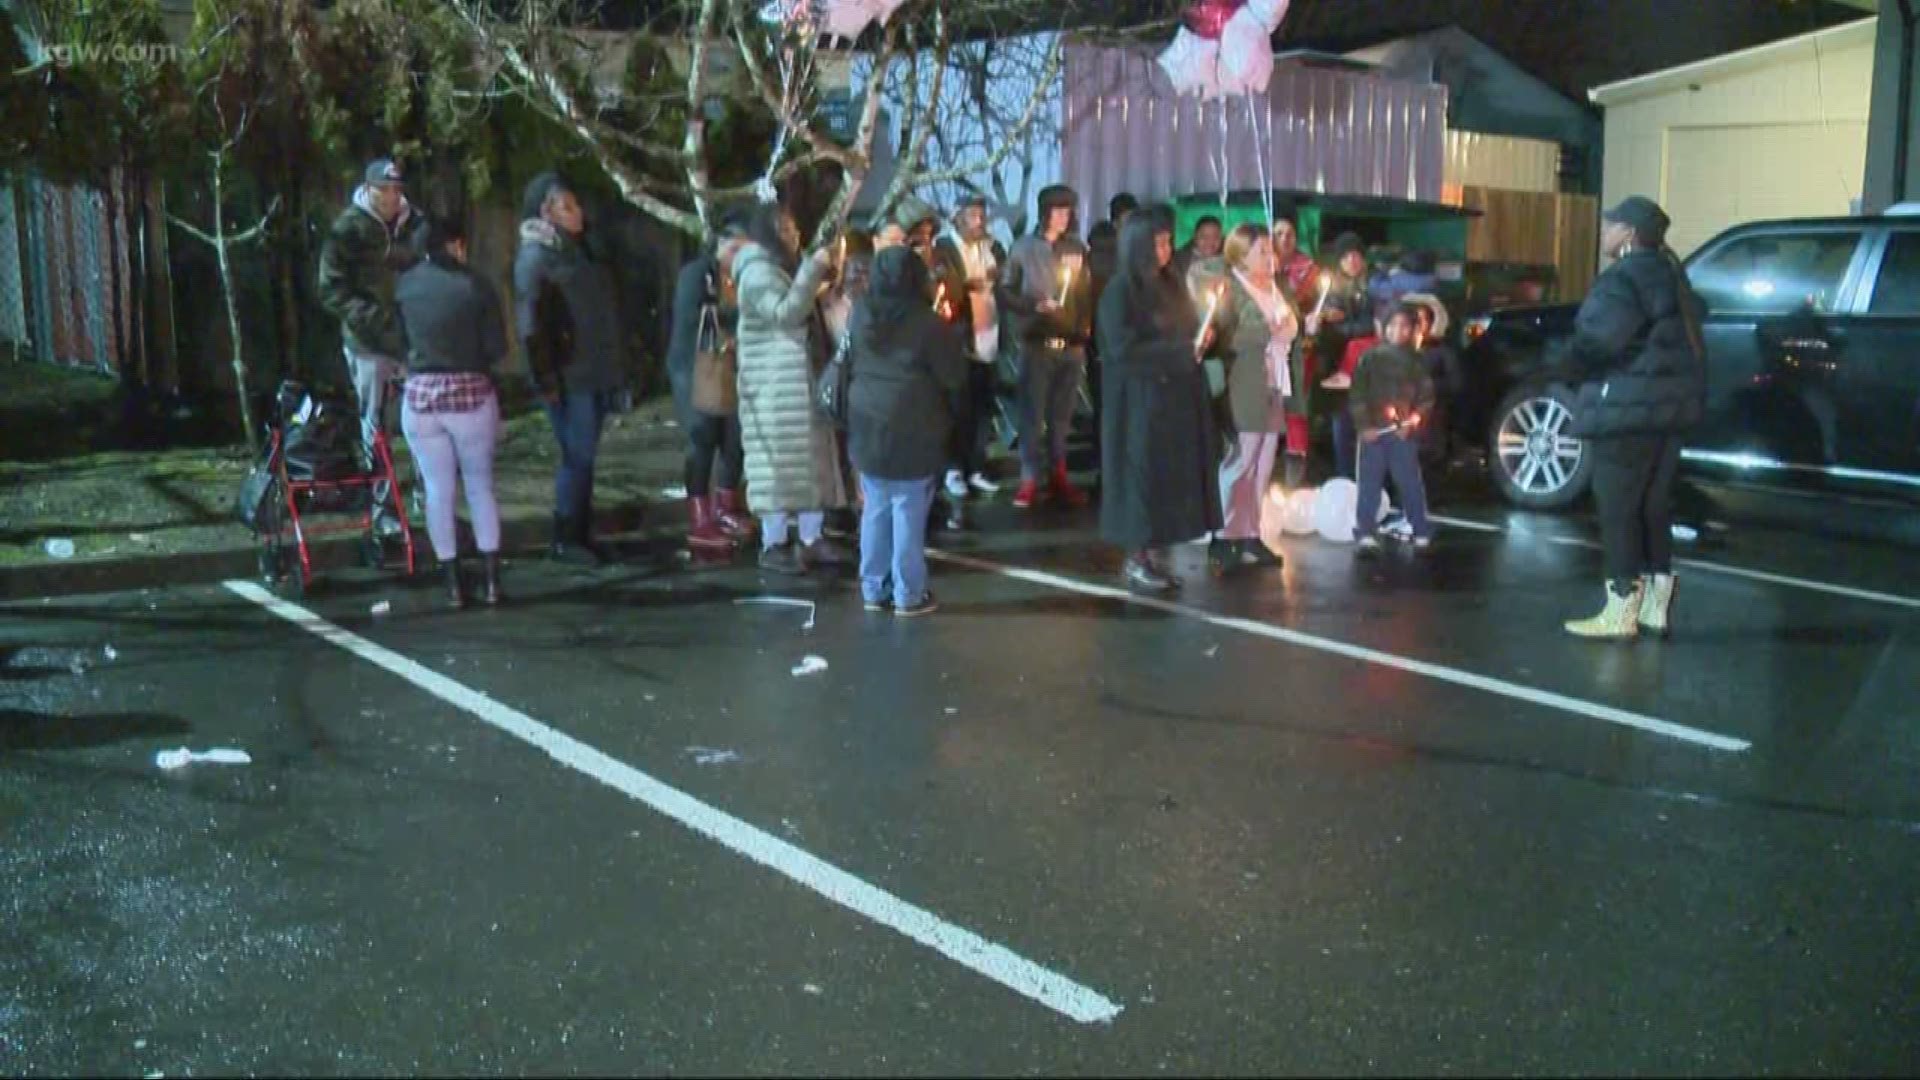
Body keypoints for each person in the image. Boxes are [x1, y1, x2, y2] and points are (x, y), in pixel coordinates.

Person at [1555, 196, 1706, 639]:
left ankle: (1620, 609)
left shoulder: (1622, 280)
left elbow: (1597, 343)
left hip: (1625, 409)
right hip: (1670, 411)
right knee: (1654, 506)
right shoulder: (1672, 277)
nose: (1604, 233)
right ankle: (1656, 606)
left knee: (1619, 508)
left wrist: (1565, 368)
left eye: (1611, 226)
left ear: (1629, 234)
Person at [1098, 210, 1222, 594]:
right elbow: (1122, 349)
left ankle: (1156, 548)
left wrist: (1201, 339)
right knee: (1142, 475)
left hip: (1172, 397)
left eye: (1169, 242)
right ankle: (1137, 556)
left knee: (1165, 474)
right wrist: (1180, 350)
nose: (1167, 250)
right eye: (1159, 243)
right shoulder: (1120, 290)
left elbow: (1184, 328)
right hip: (1138, 401)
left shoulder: (1169, 284)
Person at [730, 203, 852, 575]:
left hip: (797, 381)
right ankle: (775, 544)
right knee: (780, 467)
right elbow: (785, 313)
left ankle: (812, 538)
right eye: (785, 228)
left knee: (809, 460)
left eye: (793, 226)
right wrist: (813, 269)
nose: (793, 234)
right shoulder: (756, 273)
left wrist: (824, 277)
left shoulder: (780, 268)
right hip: (773, 387)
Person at [514, 172, 628, 567]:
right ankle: (566, 536)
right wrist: (544, 377)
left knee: (586, 455)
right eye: (568, 205)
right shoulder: (537, 258)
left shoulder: (582, 250)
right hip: (567, 374)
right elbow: (531, 324)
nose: (578, 212)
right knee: (576, 455)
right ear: (547, 212)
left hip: (592, 370)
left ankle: (581, 531)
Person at [847, 246, 968, 617]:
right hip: (914, 425)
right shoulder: (928, 325)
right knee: (908, 510)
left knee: (876, 507)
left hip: (867, 421)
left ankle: (872, 587)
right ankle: (908, 593)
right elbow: (954, 377)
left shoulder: (861, 313)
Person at [394, 215, 508, 608]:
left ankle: (453, 584)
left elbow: (396, 339)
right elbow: (497, 348)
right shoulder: (475, 284)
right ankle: (492, 580)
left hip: (421, 397)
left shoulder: (405, 286)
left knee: (438, 490)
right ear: (456, 245)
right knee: (479, 486)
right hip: (471, 395)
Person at [317, 157, 426, 538]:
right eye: (387, 189)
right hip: (369, 343)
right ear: (371, 189)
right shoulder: (348, 229)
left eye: (398, 189)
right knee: (376, 426)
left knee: (422, 422)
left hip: (412, 340)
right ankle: (384, 509)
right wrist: (373, 318)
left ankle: (429, 501)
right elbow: (331, 289)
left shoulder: (416, 224)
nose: (394, 197)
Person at [665, 214, 756, 554]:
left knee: (734, 438)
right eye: (735, 250)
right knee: (702, 436)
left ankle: (727, 504)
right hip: (696, 367)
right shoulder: (697, 274)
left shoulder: (740, 277)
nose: (739, 258)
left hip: (728, 366)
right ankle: (699, 515)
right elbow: (696, 318)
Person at [998, 184, 1092, 510]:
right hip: (1037, 343)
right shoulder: (1024, 248)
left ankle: (1059, 474)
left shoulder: (1077, 249)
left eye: (1069, 211)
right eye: (1059, 211)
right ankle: (1028, 478)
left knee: (1063, 414)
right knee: (1032, 413)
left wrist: (1083, 327)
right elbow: (1006, 291)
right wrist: (1032, 306)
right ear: (1045, 212)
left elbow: (1084, 293)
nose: (1065, 217)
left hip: (1071, 345)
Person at [1209, 222, 1297, 572]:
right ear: (1240, 256)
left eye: (1270, 250)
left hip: (1275, 378)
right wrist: (1266, 329)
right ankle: (1224, 534)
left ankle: (1250, 532)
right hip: (1245, 377)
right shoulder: (1231, 289)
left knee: (1263, 460)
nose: (1269, 257)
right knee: (1242, 458)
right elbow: (1223, 336)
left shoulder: (1274, 287)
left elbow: (1290, 326)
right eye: (1261, 251)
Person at [931, 195, 1007, 500]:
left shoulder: (992, 247)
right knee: (956, 408)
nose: (980, 221)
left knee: (982, 406)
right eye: (973, 216)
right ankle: (952, 468)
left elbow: (1006, 275)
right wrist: (967, 284)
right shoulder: (944, 250)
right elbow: (944, 286)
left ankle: (976, 465)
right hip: (959, 338)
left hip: (989, 334)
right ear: (958, 218)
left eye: (982, 215)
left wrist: (998, 277)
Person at [1349, 303, 1436, 554]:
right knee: (1369, 482)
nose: (1399, 331)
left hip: (1402, 434)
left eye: (1405, 326)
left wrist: (1413, 422)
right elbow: (1358, 395)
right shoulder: (1370, 358)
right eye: (1393, 325)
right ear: (1384, 328)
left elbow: (1426, 397)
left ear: (1412, 330)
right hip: (1373, 434)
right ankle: (1365, 529)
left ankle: (1420, 527)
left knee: (1409, 481)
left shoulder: (1416, 362)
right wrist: (1364, 426)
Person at [1310, 232, 1373, 480]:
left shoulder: (1373, 286)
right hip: (1339, 367)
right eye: (1347, 256)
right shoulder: (1330, 289)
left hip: (1366, 364)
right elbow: (1324, 328)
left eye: (1357, 255)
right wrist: (1327, 321)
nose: (1352, 261)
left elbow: (1373, 324)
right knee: (1342, 419)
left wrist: (1345, 323)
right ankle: (1344, 475)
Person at [1172, 214, 1224, 280]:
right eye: (1204, 236)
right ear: (1195, 237)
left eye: (1216, 237)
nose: (1210, 241)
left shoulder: (1227, 260)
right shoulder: (1179, 262)